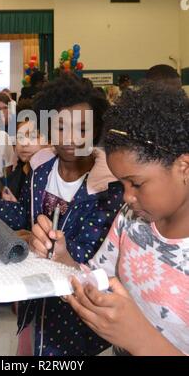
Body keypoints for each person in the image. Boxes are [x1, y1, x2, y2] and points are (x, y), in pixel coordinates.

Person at [31, 83, 189, 356]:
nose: (126, 197)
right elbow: (98, 278)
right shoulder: (131, 219)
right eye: (122, 184)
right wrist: (64, 258)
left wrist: (140, 340)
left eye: (136, 184)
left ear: (183, 166)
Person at [0, 75, 123, 356]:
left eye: (81, 128)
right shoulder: (41, 171)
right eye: (60, 127)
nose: (70, 138)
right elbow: (25, 214)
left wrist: (54, 249)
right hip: (34, 304)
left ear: (96, 128)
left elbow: (97, 258)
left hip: (76, 319)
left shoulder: (109, 188)